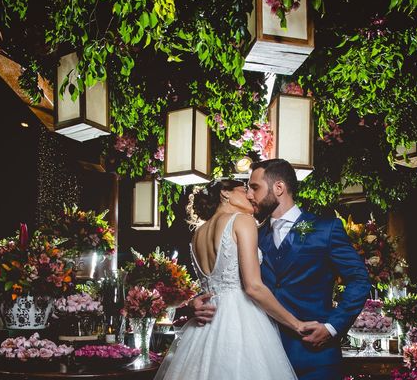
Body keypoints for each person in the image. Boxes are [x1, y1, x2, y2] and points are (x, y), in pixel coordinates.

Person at [193, 159, 371, 380]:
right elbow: (228, 277)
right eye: (247, 189)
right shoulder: (250, 233)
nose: (249, 195)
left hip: (315, 357)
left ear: (279, 188)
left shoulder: (326, 228)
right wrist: (200, 300)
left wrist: (333, 327)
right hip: (260, 358)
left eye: (255, 188)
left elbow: (359, 280)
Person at [154, 178, 318, 380]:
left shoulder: (198, 233)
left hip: (206, 323)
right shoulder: (242, 220)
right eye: (244, 190)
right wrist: (297, 324)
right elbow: (253, 287)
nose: (250, 195)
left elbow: (212, 283)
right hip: (241, 319)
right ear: (226, 194)